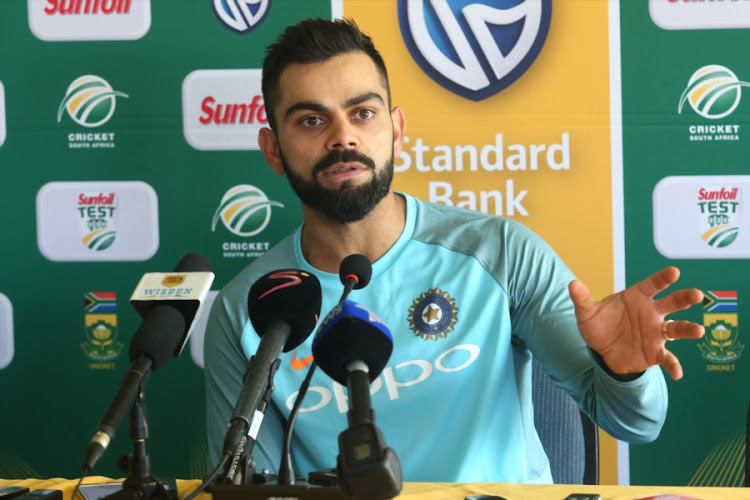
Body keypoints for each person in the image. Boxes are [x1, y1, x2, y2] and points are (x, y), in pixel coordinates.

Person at [204, 17, 705, 484]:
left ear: (396, 129)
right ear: (273, 150)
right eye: (311, 121)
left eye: (363, 113)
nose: (343, 137)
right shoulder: (246, 307)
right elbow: (251, 487)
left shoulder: (501, 252)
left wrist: (625, 369)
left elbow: (636, 424)